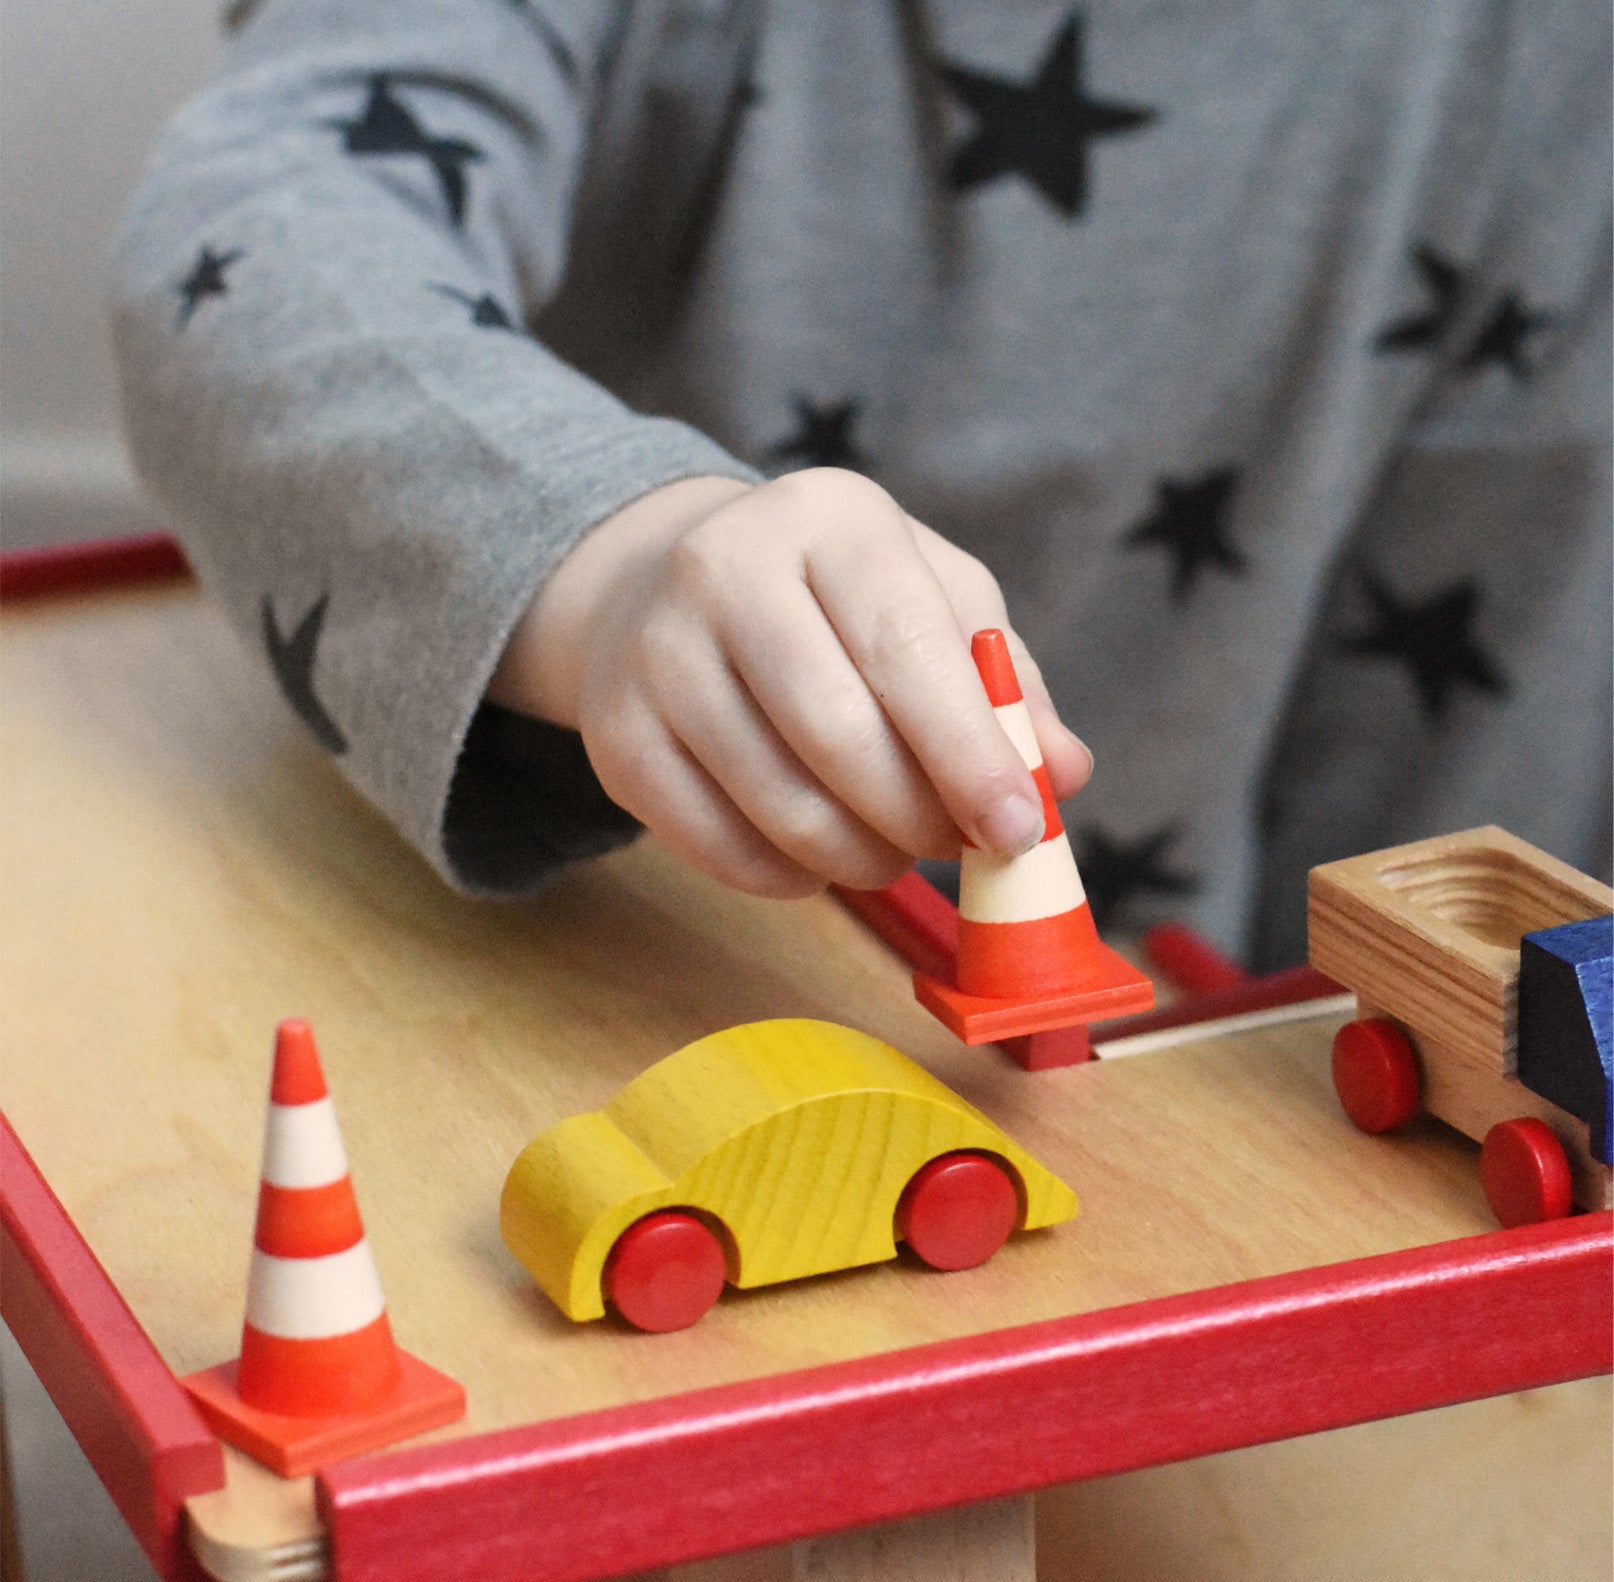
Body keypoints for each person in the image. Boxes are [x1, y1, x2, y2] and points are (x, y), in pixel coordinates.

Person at [111, 0, 1611, 967]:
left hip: (1163, 1074)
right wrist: (621, 555)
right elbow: (270, 219)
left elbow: (1487, 758)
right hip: (562, 973)